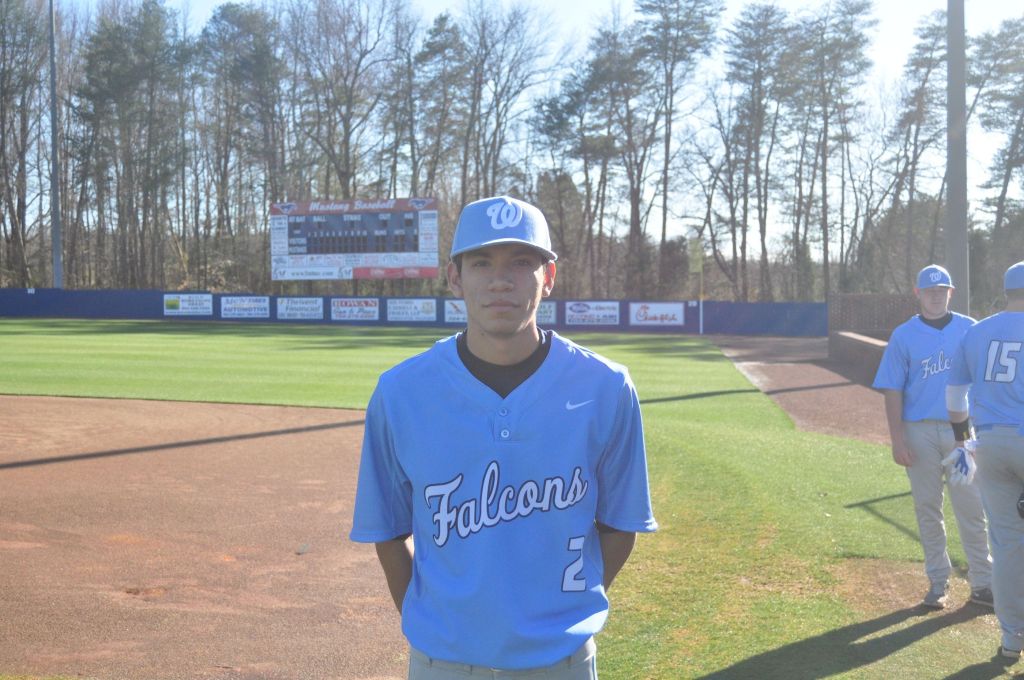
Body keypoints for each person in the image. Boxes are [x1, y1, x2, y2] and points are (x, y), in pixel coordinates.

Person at [349, 195, 658, 679]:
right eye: (481, 262)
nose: (500, 280)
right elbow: (387, 532)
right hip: (441, 664)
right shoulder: (400, 391)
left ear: (548, 277)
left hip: (563, 662)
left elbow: (621, 526)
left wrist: (558, 615)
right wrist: (441, 627)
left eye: (520, 262)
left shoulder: (606, 387)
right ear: (455, 277)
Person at [872, 264, 993, 610]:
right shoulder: (903, 335)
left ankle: (983, 583)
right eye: (930, 291)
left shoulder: (970, 329)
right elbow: (892, 390)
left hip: (961, 433)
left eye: (942, 290)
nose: (936, 296)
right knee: (928, 508)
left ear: (950, 293)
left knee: (971, 508)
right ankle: (938, 582)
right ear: (918, 293)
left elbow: (985, 381)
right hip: (919, 430)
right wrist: (897, 440)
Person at [946, 261, 1024, 662]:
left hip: (989, 443)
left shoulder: (976, 332)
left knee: (1007, 544)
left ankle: (1012, 639)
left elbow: (954, 398)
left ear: (1007, 291)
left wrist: (963, 441)